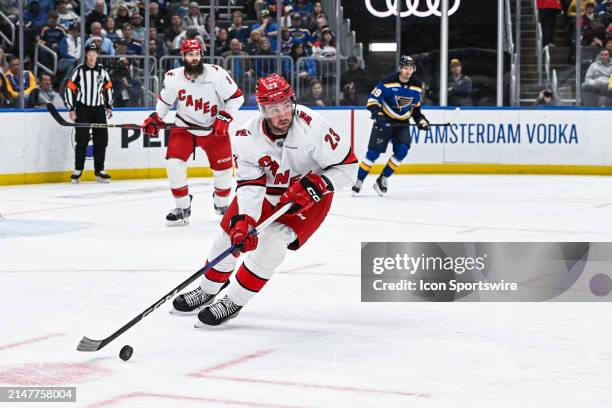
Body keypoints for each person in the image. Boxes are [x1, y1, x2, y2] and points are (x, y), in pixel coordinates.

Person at [169, 73, 357, 326]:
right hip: (268, 193)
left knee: (272, 243)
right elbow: (250, 185)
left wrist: (318, 185)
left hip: (310, 198)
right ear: (262, 110)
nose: (282, 114)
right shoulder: (247, 136)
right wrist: (245, 220)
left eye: (286, 105)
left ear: (293, 101)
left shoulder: (314, 125)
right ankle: (207, 288)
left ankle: (233, 300)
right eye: (273, 109)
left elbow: (348, 167)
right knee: (229, 235)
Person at [141, 39, 244, 225]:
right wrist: (156, 118)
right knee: (173, 165)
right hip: (184, 127)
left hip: (214, 128)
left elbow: (237, 97)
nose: (194, 58)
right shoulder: (173, 77)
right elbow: (165, 102)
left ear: (201, 55)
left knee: (224, 171)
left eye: (197, 54)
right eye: (190, 54)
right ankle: (182, 207)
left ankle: (221, 204)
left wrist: (225, 116)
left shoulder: (216, 74)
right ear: (183, 56)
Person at [352, 55, 430, 196]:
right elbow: (372, 101)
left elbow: (416, 110)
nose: (408, 71)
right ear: (400, 68)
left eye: (410, 68)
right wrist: (379, 116)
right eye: (405, 68)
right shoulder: (388, 82)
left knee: (402, 151)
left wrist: (421, 121)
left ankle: (383, 178)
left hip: (402, 124)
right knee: (373, 154)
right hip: (384, 122)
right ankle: (359, 180)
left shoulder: (417, 85)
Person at [64, 43, 114, 183]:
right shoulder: (79, 70)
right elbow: (69, 88)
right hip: (83, 108)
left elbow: (108, 87)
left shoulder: (102, 71)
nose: (92, 56)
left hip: (99, 109)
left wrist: (109, 105)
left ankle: (99, 170)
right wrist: (71, 108)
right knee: (81, 140)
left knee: (101, 140)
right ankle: (78, 170)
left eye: (94, 54)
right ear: (86, 55)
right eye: (90, 54)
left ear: (97, 55)